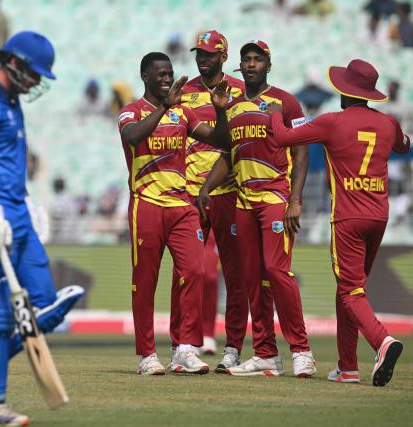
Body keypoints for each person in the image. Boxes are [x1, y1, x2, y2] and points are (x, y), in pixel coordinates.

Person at [0, 31, 84, 426]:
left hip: (16, 211)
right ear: (15, 63)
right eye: (35, 73)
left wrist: (24, 202)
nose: (38, 82)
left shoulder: (11, 100)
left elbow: (8, 161)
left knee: (46, 306)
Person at [266, 59, 410, 386]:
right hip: (379, 215)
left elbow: (282, 138)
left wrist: (276, 111)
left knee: (349, 289)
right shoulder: (387, 123)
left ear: (343, 91)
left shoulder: (333, 121)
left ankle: (382, 342)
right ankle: (348, 367)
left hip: (347, 216)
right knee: (351, 289)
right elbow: (405, 145)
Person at [199, 40, 315, 377]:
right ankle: (265, 353)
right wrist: (207, 186)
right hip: (243, 202)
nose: (251, 64)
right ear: (239, 66)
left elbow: (303, 151)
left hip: (275, 200)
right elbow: (227, 155)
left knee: (277, 272)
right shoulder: (232, 105)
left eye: (257, 59)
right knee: (252, 277)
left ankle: (302, 350)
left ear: (268, 64)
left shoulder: (285, 101)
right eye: (246, 59)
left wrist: (295, 200)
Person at [117, 51, 230, 376]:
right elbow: (132, 137)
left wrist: (221, 113)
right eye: (160, 74)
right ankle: (146, 355)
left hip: (181, 205)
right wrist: (166, 105)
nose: (167, 78)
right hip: (147, 204)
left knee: (194, 272)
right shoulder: (131, 112)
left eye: (170, 73)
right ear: (145, 77)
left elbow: (219, 139)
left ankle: (183, 349)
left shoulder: (183, 112)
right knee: (145, 281)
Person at [170, 30, 248, 372]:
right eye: (198, 53)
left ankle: (232, 348)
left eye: (209, 54)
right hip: (189, 193)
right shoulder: (183, 92)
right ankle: (182, 347)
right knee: (187, 273)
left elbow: (249, 133)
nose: (202, 58)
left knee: (235, 275)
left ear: (223, 57)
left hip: (229, 192)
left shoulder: (239, 90)